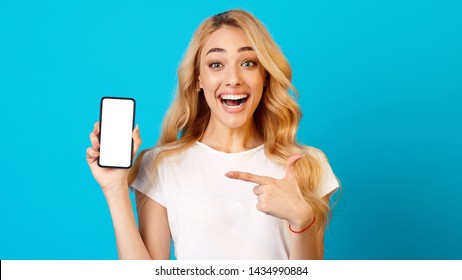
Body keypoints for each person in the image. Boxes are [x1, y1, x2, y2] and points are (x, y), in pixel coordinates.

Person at [86, 9, 339, 260]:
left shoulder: (307, 166)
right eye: (216, 64)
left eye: (248, 63)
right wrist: (114, 188)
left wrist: (302, 219)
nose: (233, 79)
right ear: (198, 79)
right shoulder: (160, 165)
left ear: (265, 76)